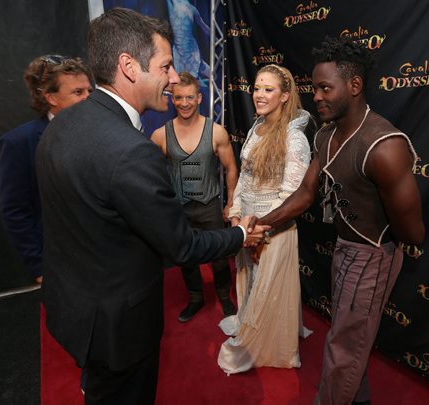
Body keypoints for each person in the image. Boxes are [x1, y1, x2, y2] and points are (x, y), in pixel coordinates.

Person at [35, 8, 267, 404]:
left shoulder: (62, 126)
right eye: (166, 65)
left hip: (75, 310)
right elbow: (183, 247)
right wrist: (242, 233)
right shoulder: (132, 151)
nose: (175, 78)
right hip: (117, 330)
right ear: (129, 66)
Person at [251, 37, 425, 404]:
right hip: (345, 248)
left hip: (373, 254)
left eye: (324, 88)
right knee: (347, 340)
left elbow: (413, 231)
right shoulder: (326, 135)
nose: (315, 96)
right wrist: (261, 223)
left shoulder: (384, 145)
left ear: (355, 86)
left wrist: (381, 253)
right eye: (314, 87)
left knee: (344, 348)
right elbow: (304, 194)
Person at [217, 64, 313, 375]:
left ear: (285, 96)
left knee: (268, 288)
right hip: (248, 224)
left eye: (268, 89)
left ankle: (269, 344)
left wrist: (261, 231)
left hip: (274, 227)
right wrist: (236, 215)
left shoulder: (294, 138)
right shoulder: (257, 127)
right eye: (257, 88)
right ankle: (249, 325)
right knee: (252, 284)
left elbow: (292, 196)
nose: (259, 94)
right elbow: (244, 176)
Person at [151, 71, 238, 322]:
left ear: (200, 98)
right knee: (186, 258)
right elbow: (148, 173)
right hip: (179, 208)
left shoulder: (217, 132)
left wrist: (230, 203)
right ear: (172, 99)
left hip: (209, 205)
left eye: (190, 97)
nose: (184, 103)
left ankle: (224, 298)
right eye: (179, 98)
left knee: (220, 256)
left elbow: (231, 168)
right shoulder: (159, 135)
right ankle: (196, 298)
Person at [0, 55, 92, 284]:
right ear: (51, 97)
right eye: (78, 92)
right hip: (59, 262)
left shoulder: (100, 132)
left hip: (102, 256)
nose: (89, 98)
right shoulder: (20, 142)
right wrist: (38, 266)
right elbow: (15, 210)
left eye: (90, 91)